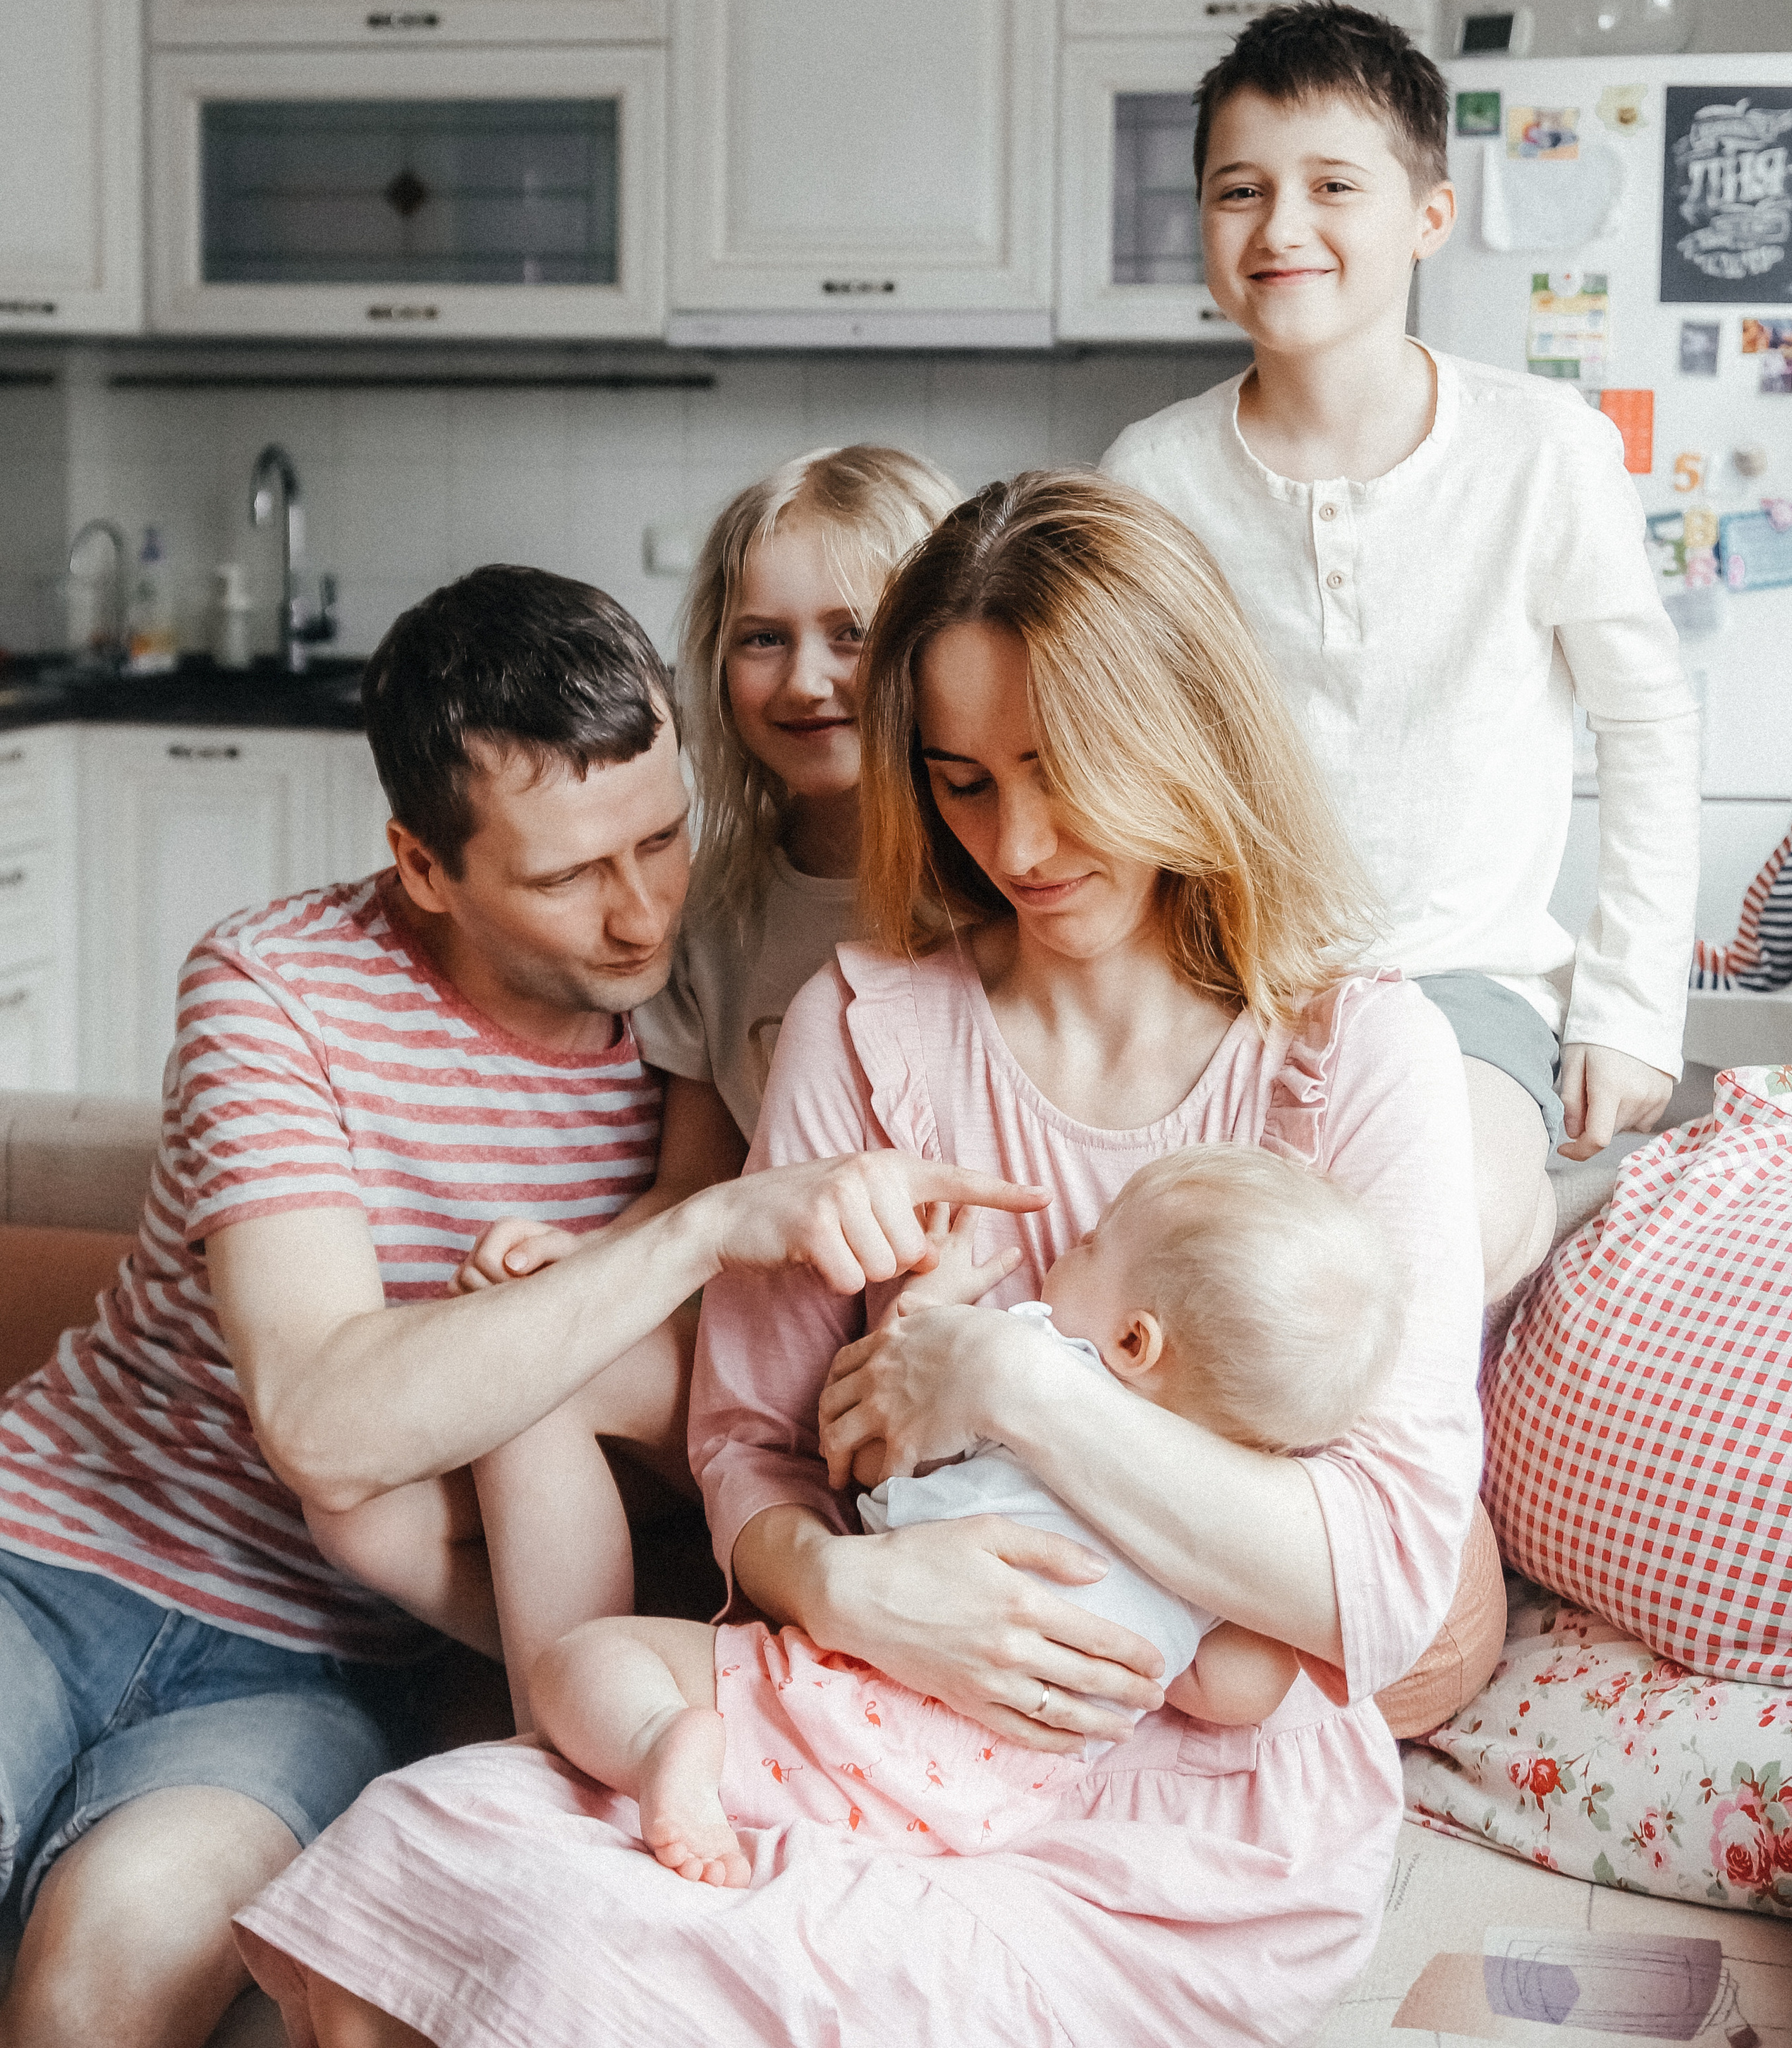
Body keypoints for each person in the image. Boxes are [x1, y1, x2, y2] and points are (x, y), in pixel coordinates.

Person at [233, 474, 1484, 2048]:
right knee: (403, 1884)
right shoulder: (867, 1022)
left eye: (1058, 772)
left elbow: (1375, 1577)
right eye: (960, 783)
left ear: (1184, 731)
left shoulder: (1354, 1057)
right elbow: (741, 1442)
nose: (1016, 844)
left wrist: (1004, 1384)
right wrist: (841, 1583)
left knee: (584, 1983)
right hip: (851, 1713)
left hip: (1176, 1831)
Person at [0, 561, 1044, 2048]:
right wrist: (699, 1231)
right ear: (423, 866)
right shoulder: (275, 983)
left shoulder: (712, 1045)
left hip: (317, 1662)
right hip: (48, 1555)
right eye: (565, 877)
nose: (639, 919)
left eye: (664, 840)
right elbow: (325, 1418)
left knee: (103, 1970)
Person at [1099, 0, 1700, 1299]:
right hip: (1224, 991)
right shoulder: (1149, 475)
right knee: (1192, 1292)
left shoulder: (1544, 450)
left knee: (1415, 1262)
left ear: (1428, 216)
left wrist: (1626, 1008)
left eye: (1333, 186)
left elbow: (1647, 730)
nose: (1281, 229)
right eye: (1239, 190)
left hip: (1459, 986)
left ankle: (1540, 1213)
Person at [524, 1145, 1407, 1886]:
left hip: (846, 1699)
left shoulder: (1033, 1356)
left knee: (589, 1658)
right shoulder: (1225, 1532)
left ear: (1133, 1343)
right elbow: (1230, 1693)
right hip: (979, 1808)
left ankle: (661, 1748)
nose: (1067, 1247)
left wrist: (924, 1313)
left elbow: (868, 1465)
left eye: (1091, 1243)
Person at [634, 444, 961, 1150]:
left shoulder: (1011, 888)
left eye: (853, 632)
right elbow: (695, 1191)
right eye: (762, 639)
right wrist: (574, 1253)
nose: (804, 682)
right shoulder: (707, 918)